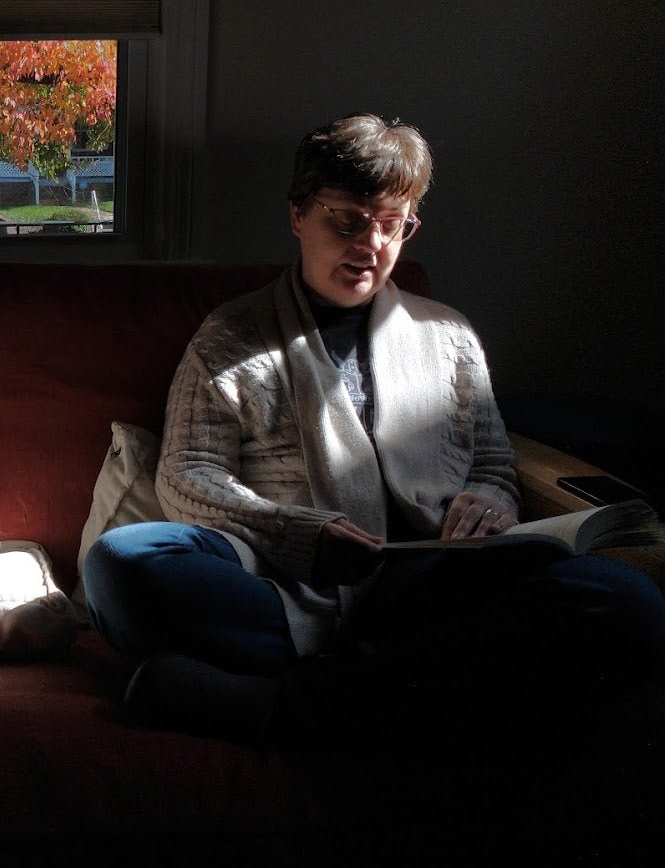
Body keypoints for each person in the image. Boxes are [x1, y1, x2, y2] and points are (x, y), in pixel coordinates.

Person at [81, 113, 665, 746]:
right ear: (298, 215)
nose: (371, 246)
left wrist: (490, 502)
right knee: (123, 562)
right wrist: (300, 533)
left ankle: (283, 707)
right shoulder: (232, 336)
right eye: (348, 221)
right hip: (287, 584)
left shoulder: (449, 337)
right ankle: (411, 684)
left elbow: (494, 466)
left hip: (436, 582)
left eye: (393, 224)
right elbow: (187, 474)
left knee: (629, 602)